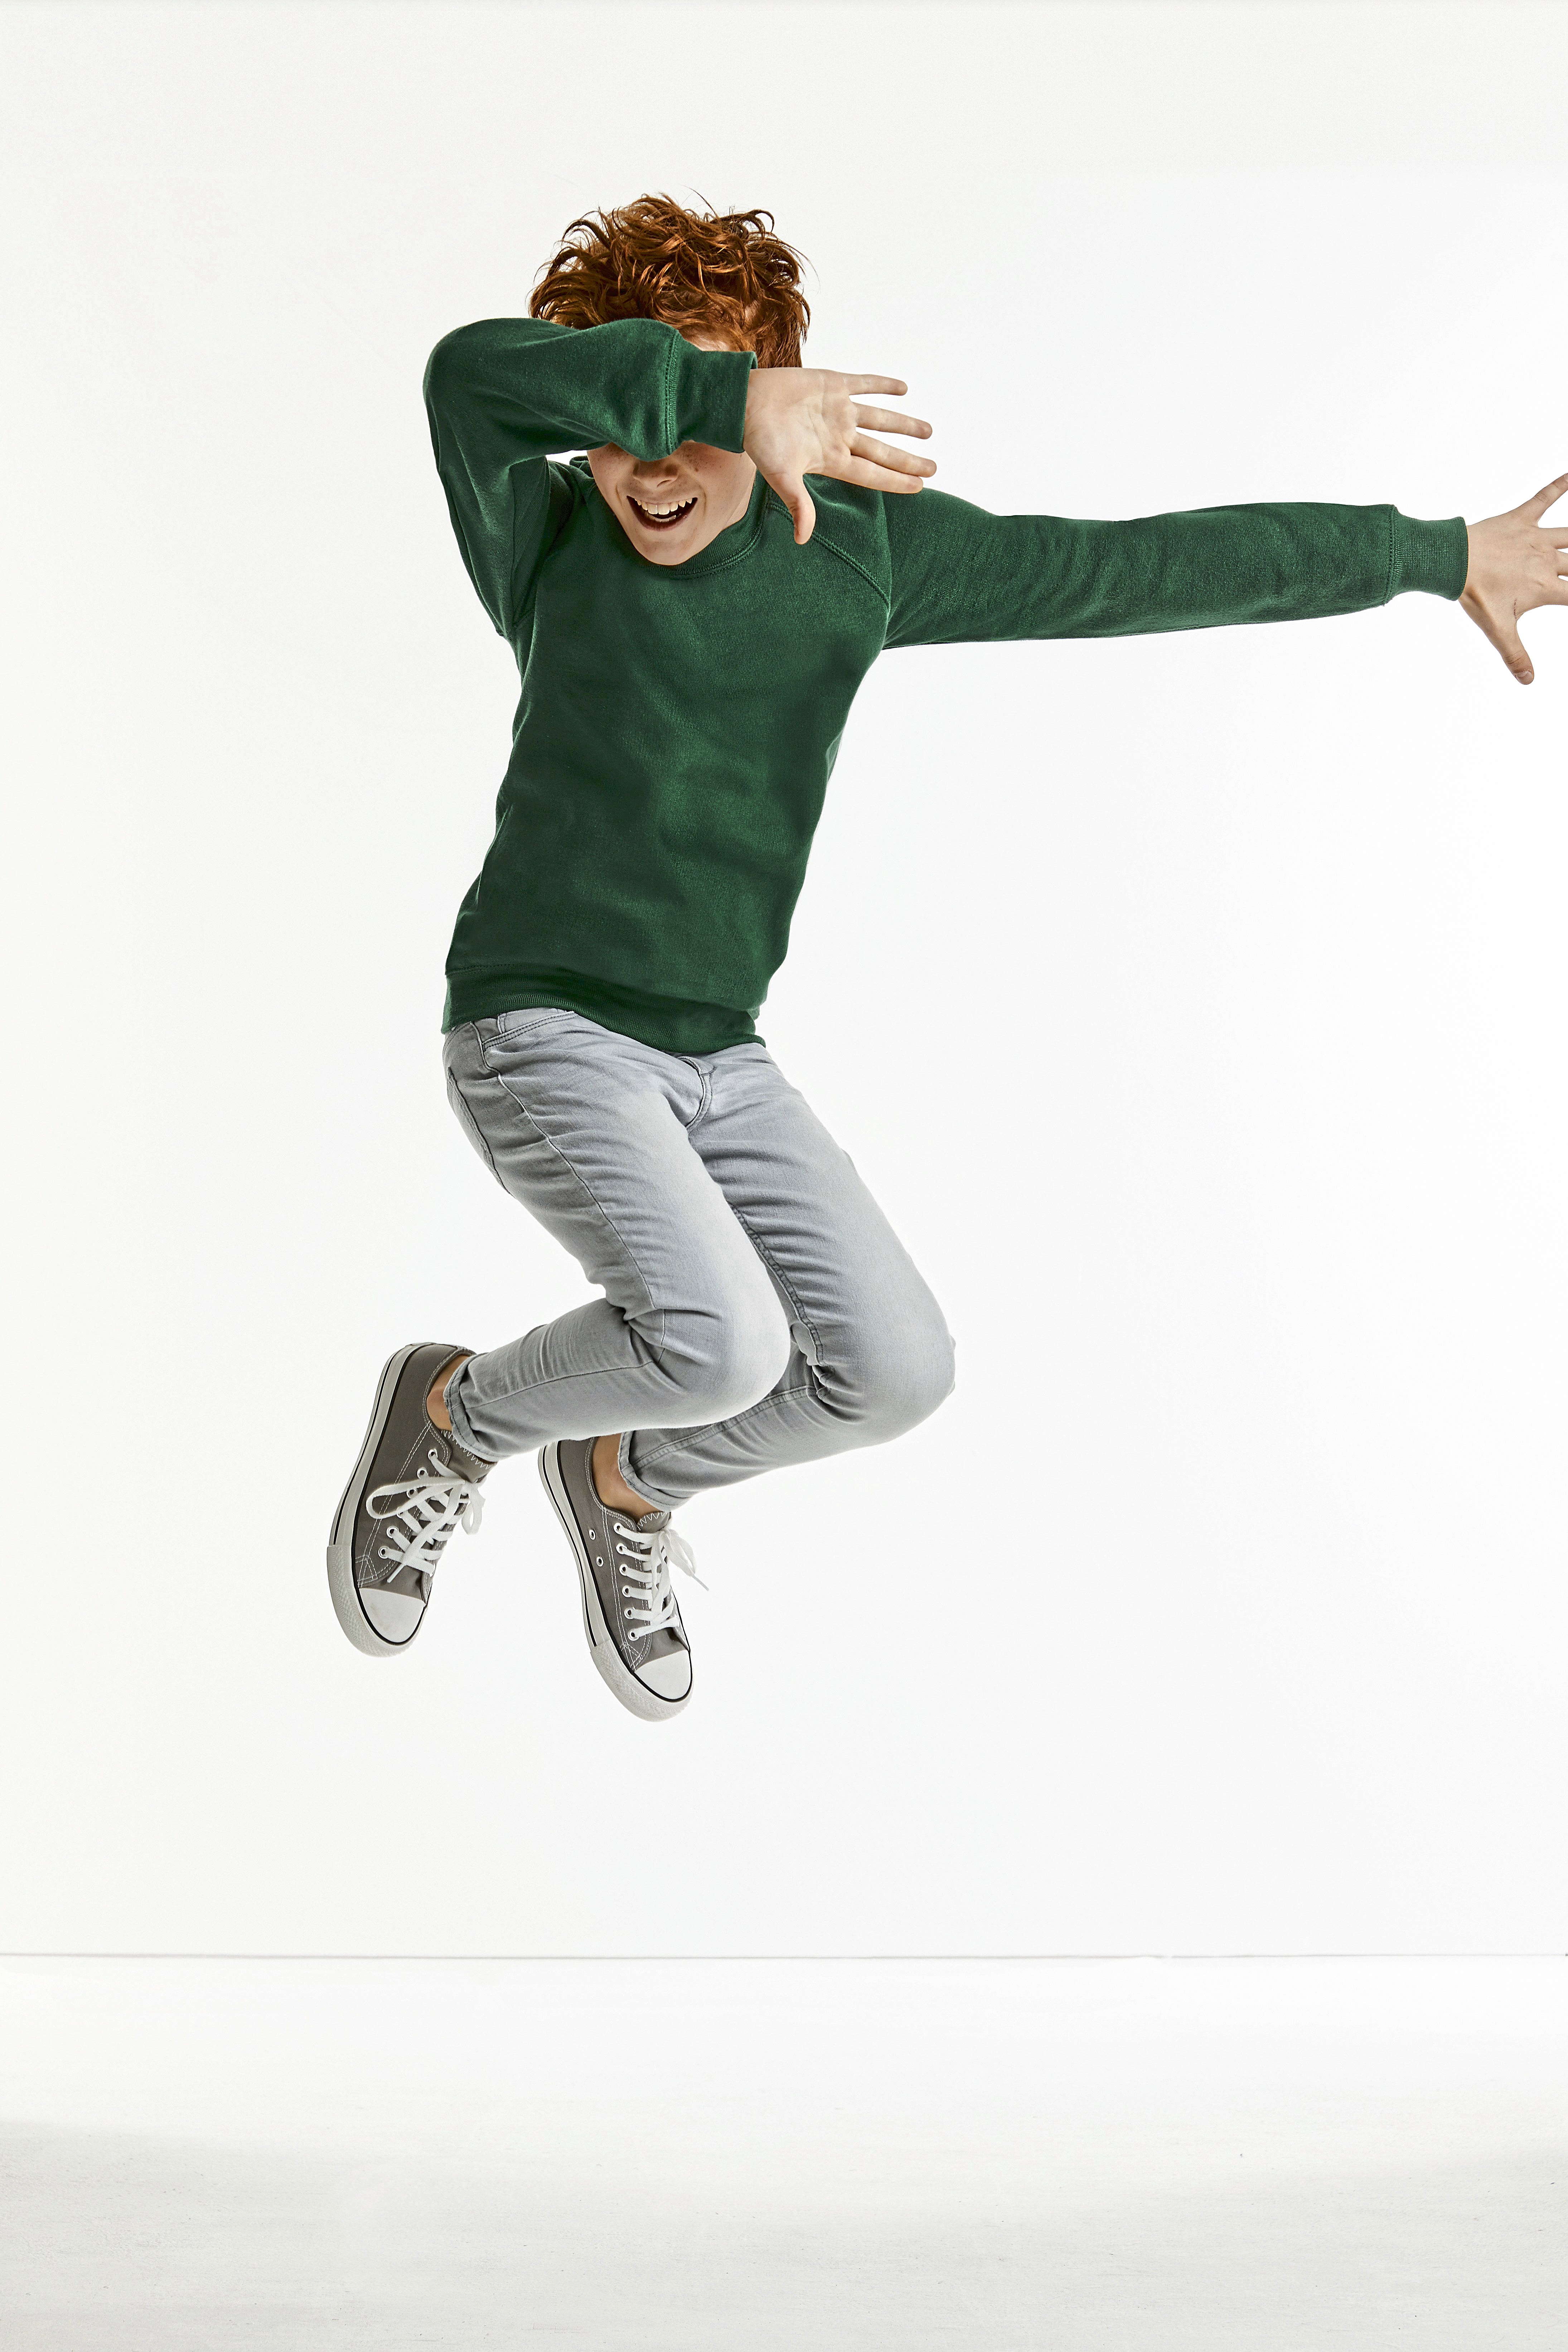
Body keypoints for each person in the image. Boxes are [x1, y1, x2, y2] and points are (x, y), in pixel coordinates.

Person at [327, 193, 1567, 1721]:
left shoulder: (859, 553)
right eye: (630, 423)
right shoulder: (545, 537)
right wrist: (711, 396)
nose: (653, 467)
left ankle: (625, 1479)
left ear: (789, 411)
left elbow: (1134, 568)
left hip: (719, 1051)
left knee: (895, 1368)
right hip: (540, 1022)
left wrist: (1432, 553)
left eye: (711, 421)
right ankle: (451, 1414)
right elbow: (466, 376)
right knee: (720, 1338)